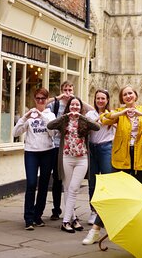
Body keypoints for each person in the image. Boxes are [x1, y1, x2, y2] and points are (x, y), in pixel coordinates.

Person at [82, 85, 142, 245]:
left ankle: (138, 232)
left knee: (140, 198)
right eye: (125, 94)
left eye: (130, 93)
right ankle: (95, 230)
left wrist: (141, 113)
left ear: (135, 95)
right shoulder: (119, 113)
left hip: (141, 161)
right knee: (113, 196)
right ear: (122, 98)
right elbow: (104, 119)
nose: (128, 96)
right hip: (121, 159)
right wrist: (123, 112)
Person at [47, 96, 100, 233]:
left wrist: (81, 117)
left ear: (80, 107)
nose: (75, 108)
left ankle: (65, 221)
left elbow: (97, 126)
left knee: (74, 188)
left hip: (81, 159)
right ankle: (73, 219)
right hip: (66, 158)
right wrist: (65, 116)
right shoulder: (64, 120)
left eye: (77, 105)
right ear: (69, 107)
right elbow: (50, 125)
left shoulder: (83, 120)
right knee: (68, 188)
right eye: (72, 105)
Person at [11, 88, 56, 230]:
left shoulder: (51, 115)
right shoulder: (30, 114)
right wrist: (25, 117)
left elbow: (53, 133)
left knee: (43, 185)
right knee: (31, 184)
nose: (40, 101)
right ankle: (28, 218)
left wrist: (42, 116)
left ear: (47, 100)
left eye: (43, 98)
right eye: (38, 98)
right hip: (31, 152)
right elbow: (15, 133)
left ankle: (38, 216)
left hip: (48, 152)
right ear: (34, 99)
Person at [85, 89, 115, 225]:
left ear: (107, 100)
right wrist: (99, 119)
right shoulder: (90, 114)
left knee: (107, 181)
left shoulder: (112, 114)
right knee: (93, 181)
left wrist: (108, 119)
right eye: (98, 98)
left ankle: (107, 211)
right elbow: (88, 127)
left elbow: (118, 125)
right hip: (92, 148)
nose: (100, 101)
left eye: (103, 98)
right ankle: (94, 211)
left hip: (106, 147)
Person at [47, 81, 75, 221]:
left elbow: (89, 110)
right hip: (56, 145)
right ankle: (56, 210)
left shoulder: (75, 105)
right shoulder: (55, 104)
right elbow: (43, 103)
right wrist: (58, 97)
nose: (67, 92)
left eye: (70, 89)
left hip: (70, 147)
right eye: (65, 89)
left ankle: (70, 210)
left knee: (69, 180)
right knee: (57, 179)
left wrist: (76, 99)